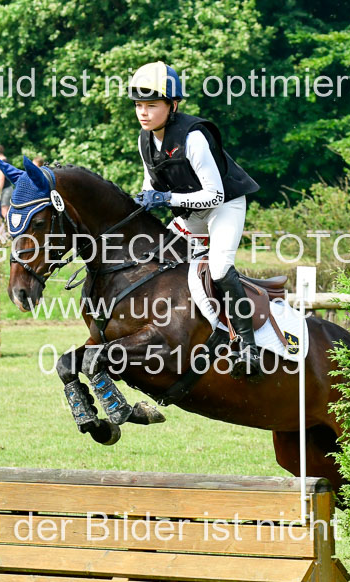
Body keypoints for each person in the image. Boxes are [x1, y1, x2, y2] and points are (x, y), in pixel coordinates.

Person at [129, 61, 261, 378]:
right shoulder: (145, 139)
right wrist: (141, 201)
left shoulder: (194, 137)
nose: (143, 112)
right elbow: (151, 184)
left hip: (223, 207)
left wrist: (167, 199)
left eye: (151, 105)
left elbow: (214, 195)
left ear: (172, 105)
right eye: (138, 105)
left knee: (219, 268)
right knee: (156, 257)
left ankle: (248, 345)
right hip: (190, 213)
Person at [0, 144, 14, 219]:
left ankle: (9, 225)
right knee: (6, 210)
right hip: (8, 188)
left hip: (5, 189)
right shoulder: (6, 160)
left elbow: (1, 179)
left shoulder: (1, 162)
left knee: (4, 211)